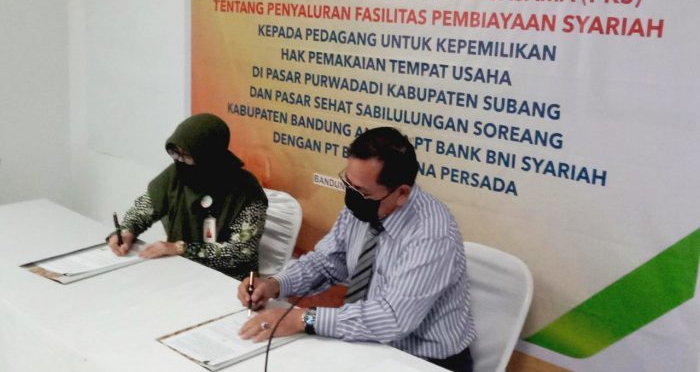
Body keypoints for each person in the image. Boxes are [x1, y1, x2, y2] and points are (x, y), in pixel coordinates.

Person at [237, 127, 476, 372]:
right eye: (348, 184)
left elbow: (392, 318)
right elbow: (326, 262)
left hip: (423, 361)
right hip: (371, 345)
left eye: (362, 192)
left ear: (402, 193)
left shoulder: (432, 234)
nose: (352, 196)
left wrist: (302, 318)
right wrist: (275, 284)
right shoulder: (364, 205)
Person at [107, 113, 268, 280]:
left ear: (209, 156)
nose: (180, 160)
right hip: (181, 269)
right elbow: (143, 209)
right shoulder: (176, 174)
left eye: (188, 156)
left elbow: (239, 253)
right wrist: (127, 231)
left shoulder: (246, 191)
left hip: (230, 280)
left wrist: (180, 248)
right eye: (175, 153)